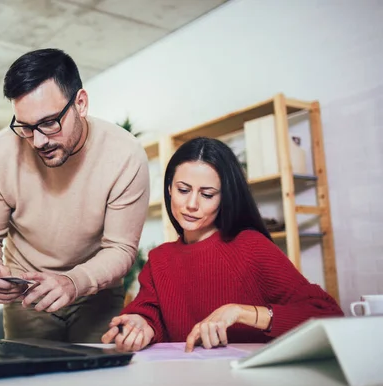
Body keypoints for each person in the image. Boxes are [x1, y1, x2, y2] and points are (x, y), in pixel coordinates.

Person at [0, 48, 150, 343]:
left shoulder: (124, 154)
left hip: (97, 296)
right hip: (27, 297)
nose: (38, 141)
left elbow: (121, 249)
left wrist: (73, 282)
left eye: (49, 122)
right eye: (25, 127)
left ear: (81, 103)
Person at [101, 136, 343, 352]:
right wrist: (140, 325)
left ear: (224, 197)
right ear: (169, 190)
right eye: (183, 190)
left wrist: (239, 312)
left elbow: (328, 314)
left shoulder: (251, 247)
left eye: (207, 194)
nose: (192, 204)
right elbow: (151, 315)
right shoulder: (159, 259)